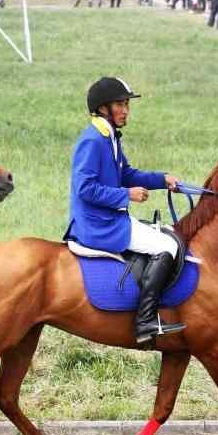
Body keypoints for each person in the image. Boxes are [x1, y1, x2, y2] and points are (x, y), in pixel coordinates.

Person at [65, 77, 185, 345]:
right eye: (120, 104)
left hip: (111, 218)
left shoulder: (108, 136)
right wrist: (125, 194)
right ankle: (145, 321)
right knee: (168, 246)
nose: (126, 110)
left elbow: (126, 173)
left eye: (127, 104)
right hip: (99, 225)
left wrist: (161, 179)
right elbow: (84, 188)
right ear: (103, 107)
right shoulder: (93, 140)